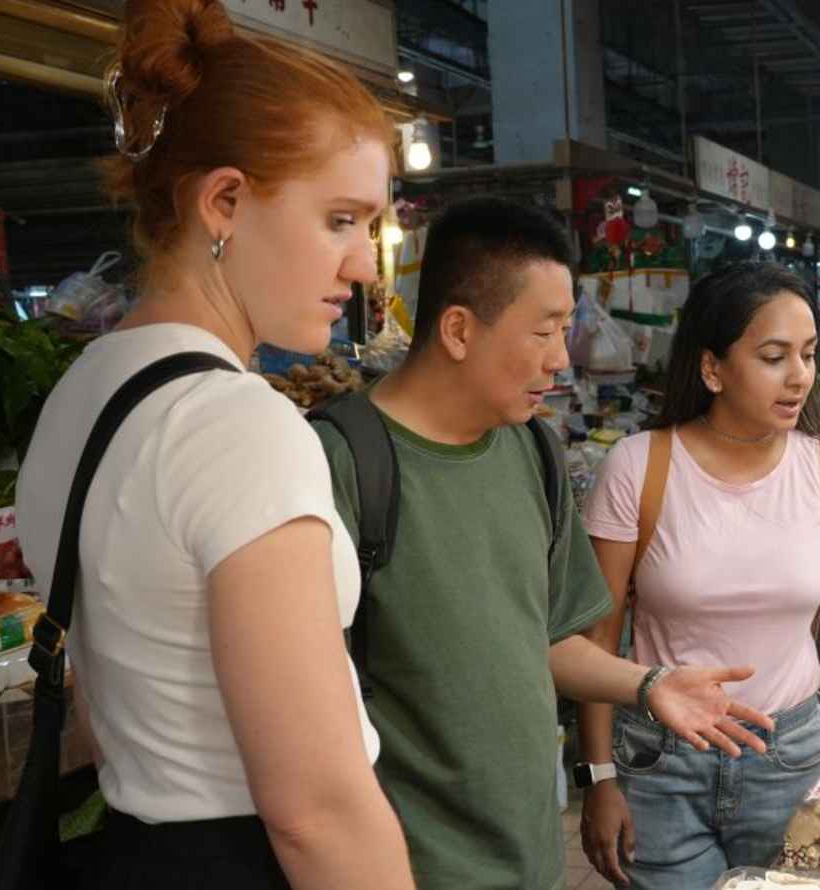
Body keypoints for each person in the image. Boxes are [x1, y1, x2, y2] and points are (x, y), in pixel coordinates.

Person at [16, 0, 414, 885]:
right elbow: (316, 810)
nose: (363, 268)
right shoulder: (238, 427)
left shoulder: (82, 394)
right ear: (225, 201)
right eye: (340, 220)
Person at [314, 197, 773, 890]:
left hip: (529, 856)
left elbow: (549, 639)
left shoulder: (532, 450)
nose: (562, 358)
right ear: (460, 329)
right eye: (545, 331)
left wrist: (649, 687)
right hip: (408, 867)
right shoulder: (338, 463)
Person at [576, 261, 820, 890]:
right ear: (712, 368)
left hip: (787, 757)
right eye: (773, 356)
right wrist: (600, 778)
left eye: (809, 355)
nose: (799, 377)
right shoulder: (638, 466)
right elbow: (598, 640)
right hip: (661, 764)